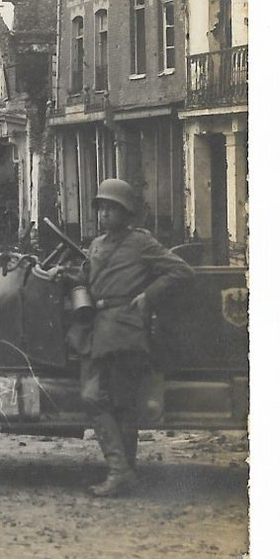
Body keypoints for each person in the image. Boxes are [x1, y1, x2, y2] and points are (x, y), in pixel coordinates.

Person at [70, 179, 193, 497]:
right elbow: (91, 276)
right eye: (102, 208)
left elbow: (180, 271)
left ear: (127, 213)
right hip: (100, 328)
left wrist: (148, 296)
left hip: (125, 329)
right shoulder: (97, 244)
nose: (105, 214)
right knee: (102, 399)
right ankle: (125, 473)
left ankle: (121, 471)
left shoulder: (141, 242)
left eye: (113, 208)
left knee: (114, 402)